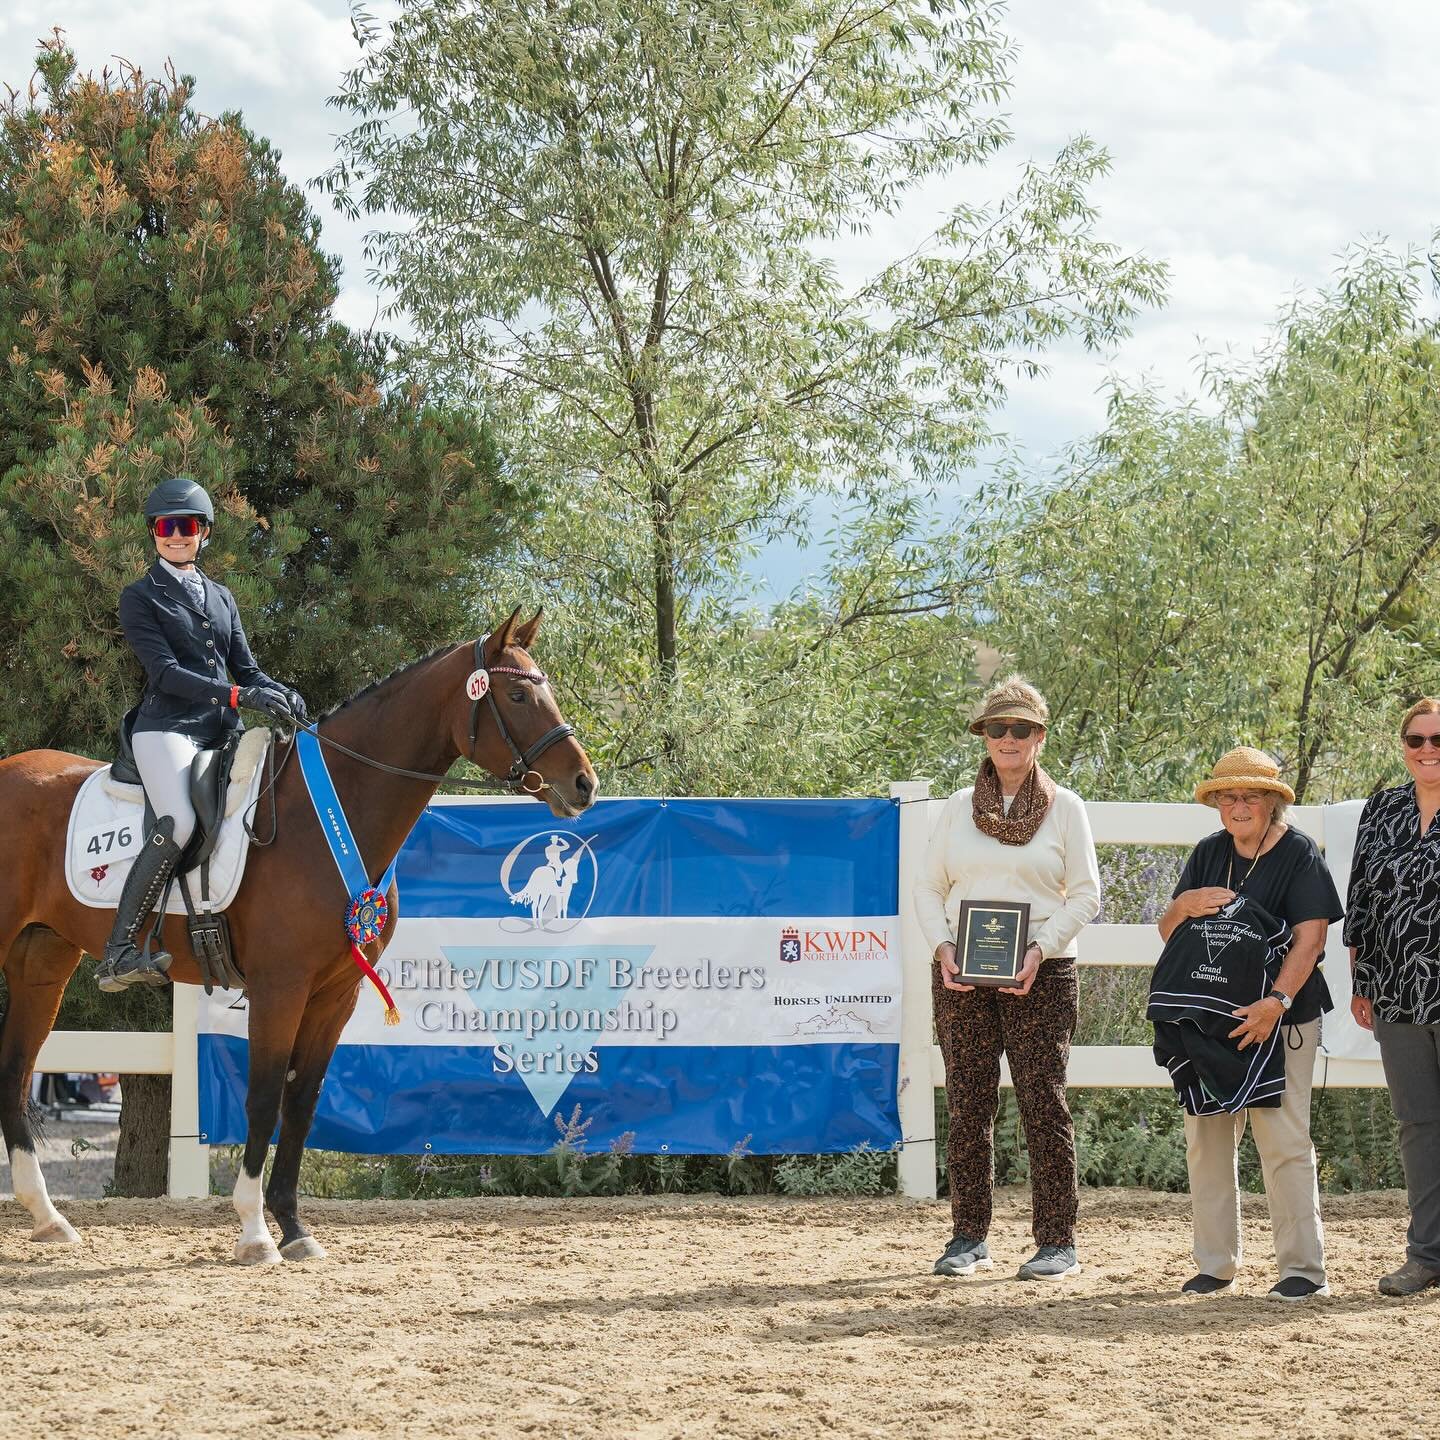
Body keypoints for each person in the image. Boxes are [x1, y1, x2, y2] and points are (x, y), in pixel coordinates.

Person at [914, 676, 1101, 1281]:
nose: (1009, 738)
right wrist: (944, 947)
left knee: (1042, 1102)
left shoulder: (1067, 808)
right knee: (968, 1105)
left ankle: (1057, 1240)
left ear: (1040, 736)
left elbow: (1087, 895)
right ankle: (968, 1237)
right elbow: (928, 888)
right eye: (998, 728)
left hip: (1041, 975)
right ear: (984, 737)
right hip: (962, 975)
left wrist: (1042, 949)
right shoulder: (953, 810)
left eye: (1021, 728)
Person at [95, 477, 306, 993]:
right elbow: (165, 673)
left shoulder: (221, 597)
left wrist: (280, 692)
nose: (175, 536)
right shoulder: (140, 597)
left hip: (220, 732)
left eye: (186, 527)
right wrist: (237, 697)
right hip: (165, 727)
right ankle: (119, 950)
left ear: (203, 533)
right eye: (166, 527)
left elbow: (246, 670)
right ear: (153, 533)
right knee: (181, 820)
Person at [1158, 746, 1342, 1301]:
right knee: (1206, 1136)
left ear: (1271, 803)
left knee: (1284, 1138)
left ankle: (1302, 1270)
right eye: (1229, 796)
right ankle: (1215, 1263)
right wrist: (1184, 903)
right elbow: (1170, 932)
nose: (1240, 806)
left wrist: (1276, 1003)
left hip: (1282, 1017)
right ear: (1217, 804)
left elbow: (1311, 939)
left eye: (1251, 796)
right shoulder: (1208, 854)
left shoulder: (1300, 855)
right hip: (1212, 1019)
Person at [1345, 697, 1440, 1297]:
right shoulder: (1381, 810)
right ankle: (1426, 1255)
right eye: (1417, 740)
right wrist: (1360, 980)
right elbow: (1360, 901)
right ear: (1402, 747)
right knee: (1418, 1124)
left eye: (1439, 740)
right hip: (1397, 993)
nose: (1428, 750)